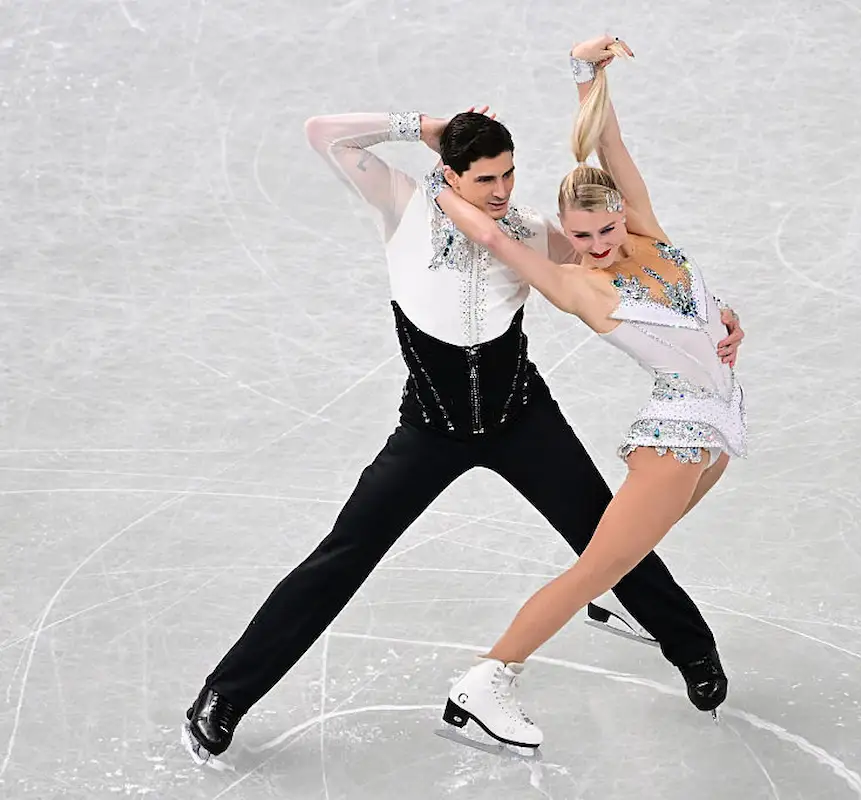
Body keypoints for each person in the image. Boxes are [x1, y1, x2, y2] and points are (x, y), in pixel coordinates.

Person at [181, 94, 746, 764]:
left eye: (508, 173)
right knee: (343, 555)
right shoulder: (401, 204)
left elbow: (622, 260)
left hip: (521, 415)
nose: (502, 190)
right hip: (432, 427)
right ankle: (224, 694)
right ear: (449, 173)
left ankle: (689, 645)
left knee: (607, 531)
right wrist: (424, 127)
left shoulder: (532, 229)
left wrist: (716, 313)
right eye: (485, 178)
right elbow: (323, 133)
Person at [433, 35, 747, 750]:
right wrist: (444, 187)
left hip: (715, 431)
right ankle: (486, 678)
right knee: (596, 567)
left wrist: (587, 78)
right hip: (673, 439)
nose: (599, 242)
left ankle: (619, 595)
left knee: (624, 557)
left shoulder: (651, 238)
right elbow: (492, 235)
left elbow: (611, 147)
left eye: (606, 227)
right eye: (581, 234)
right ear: (566, 235)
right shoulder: (577, 283)